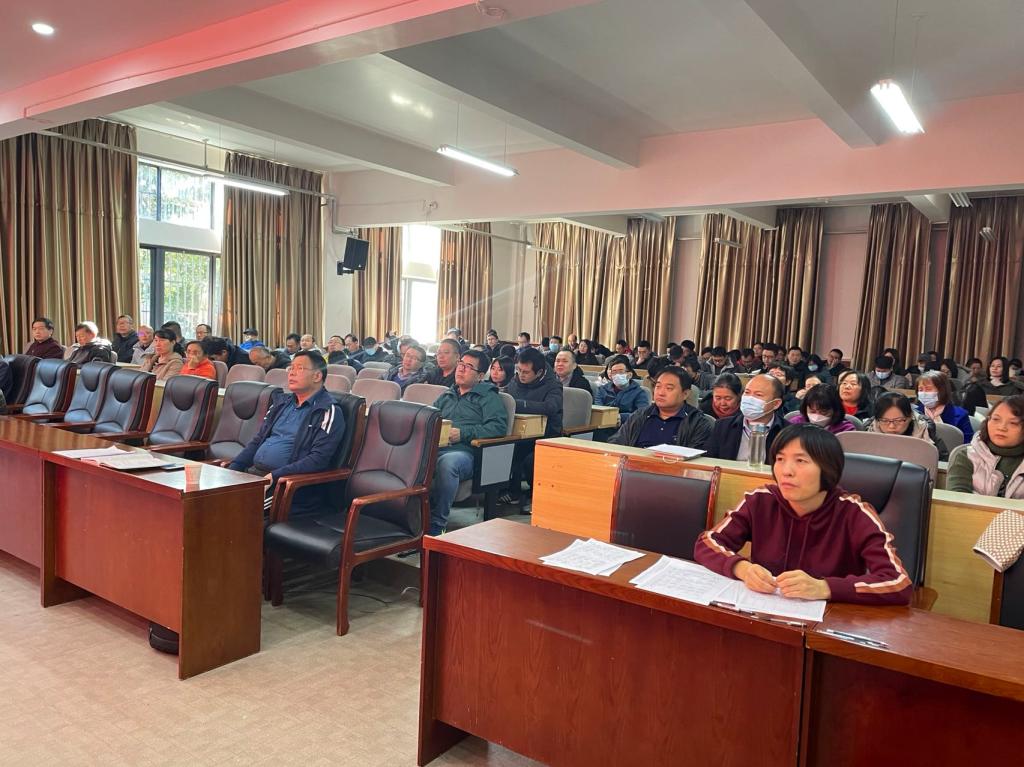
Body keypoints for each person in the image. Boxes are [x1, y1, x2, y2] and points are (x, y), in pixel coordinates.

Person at [694, 424, 912, 605]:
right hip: (763, 612)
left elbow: (898, 582)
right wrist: (742, 568)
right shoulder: (761, 500)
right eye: (780, 459)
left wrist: (825, 587)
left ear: (828, 469)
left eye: (800, 461)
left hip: (827, 623)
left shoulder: (855, 513)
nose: (786, 471)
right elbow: (707, 543)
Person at [229, 351, 346, 516]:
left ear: (317, 376)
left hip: (288, 487)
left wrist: (275, 476)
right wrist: (234, 468)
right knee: (211, 498)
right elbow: (258, 440)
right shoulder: (281, 403)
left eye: (300, 368)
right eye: (291, 368)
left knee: (235, 509)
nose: (291, 372)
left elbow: (318, 460)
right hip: (257, 476)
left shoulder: (327, 410)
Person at [429, 350, 510, 534]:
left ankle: (437, 525)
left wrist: (464, 433)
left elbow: (498, 427)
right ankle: (408, 517)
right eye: (460, 364)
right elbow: (429, 417)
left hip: (467, 453)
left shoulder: (488, 396)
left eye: (468, 367)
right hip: (437, 447)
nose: (461, 369)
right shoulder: (448, 394)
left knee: (448, 463)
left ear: (480, 376)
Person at [503, 347, 564, 507]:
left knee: (527, 458)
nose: (520, 375)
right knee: (501, 449)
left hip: (545, 437)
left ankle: (531, 493)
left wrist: (519, 404)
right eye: (518, 370)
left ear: (539, 372)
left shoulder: (553, 385)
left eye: (526, 372)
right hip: (518, 433)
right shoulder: (515, 380)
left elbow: (551, 407)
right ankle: (507, 490)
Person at [609, 367, 712, 449]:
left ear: (685, 394)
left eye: (669, 388)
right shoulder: (640, 415)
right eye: (658, 387)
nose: (661, 393)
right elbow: (616, 443)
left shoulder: (698, 423)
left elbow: (696, 459)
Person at [947, 395, 1024, 498]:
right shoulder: (966, 455)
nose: (1002, 427)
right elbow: (957, 502)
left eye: (1013, 423)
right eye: (996, 419)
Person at [706, 374, 787, 461]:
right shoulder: (722, 426)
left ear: (776, 403)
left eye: (758, 395)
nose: (750, 398)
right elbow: (708, 461)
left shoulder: (787, 432)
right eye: (747, 392)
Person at [865, 392, 948, 460]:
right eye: (885, 421)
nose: (891, 426)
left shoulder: (927, 433)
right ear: (877, 420)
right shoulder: (867, 432)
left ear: (910, 417)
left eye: (899, 420)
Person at [915, 370, 973, 443]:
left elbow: (967, 443)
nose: (924, 393)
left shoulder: (961, 415)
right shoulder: (914, 414)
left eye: (928, 389)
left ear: (942, 390)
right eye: (920, 390)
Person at [595, 355, 651, 424]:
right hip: (604, 425)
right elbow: (598, 410)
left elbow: (643, 414)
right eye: (614, 372)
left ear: (629, 375)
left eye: (620, 372)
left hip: (628, 425)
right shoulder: (602, 389)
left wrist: (621, 417)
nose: (617, 375)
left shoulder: (639, 392)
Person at [788, 384, 855, 435]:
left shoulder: (846, 430)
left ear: (835, 410)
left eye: (823, 412)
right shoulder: (794, 424)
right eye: (812, 411)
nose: (817, 416)